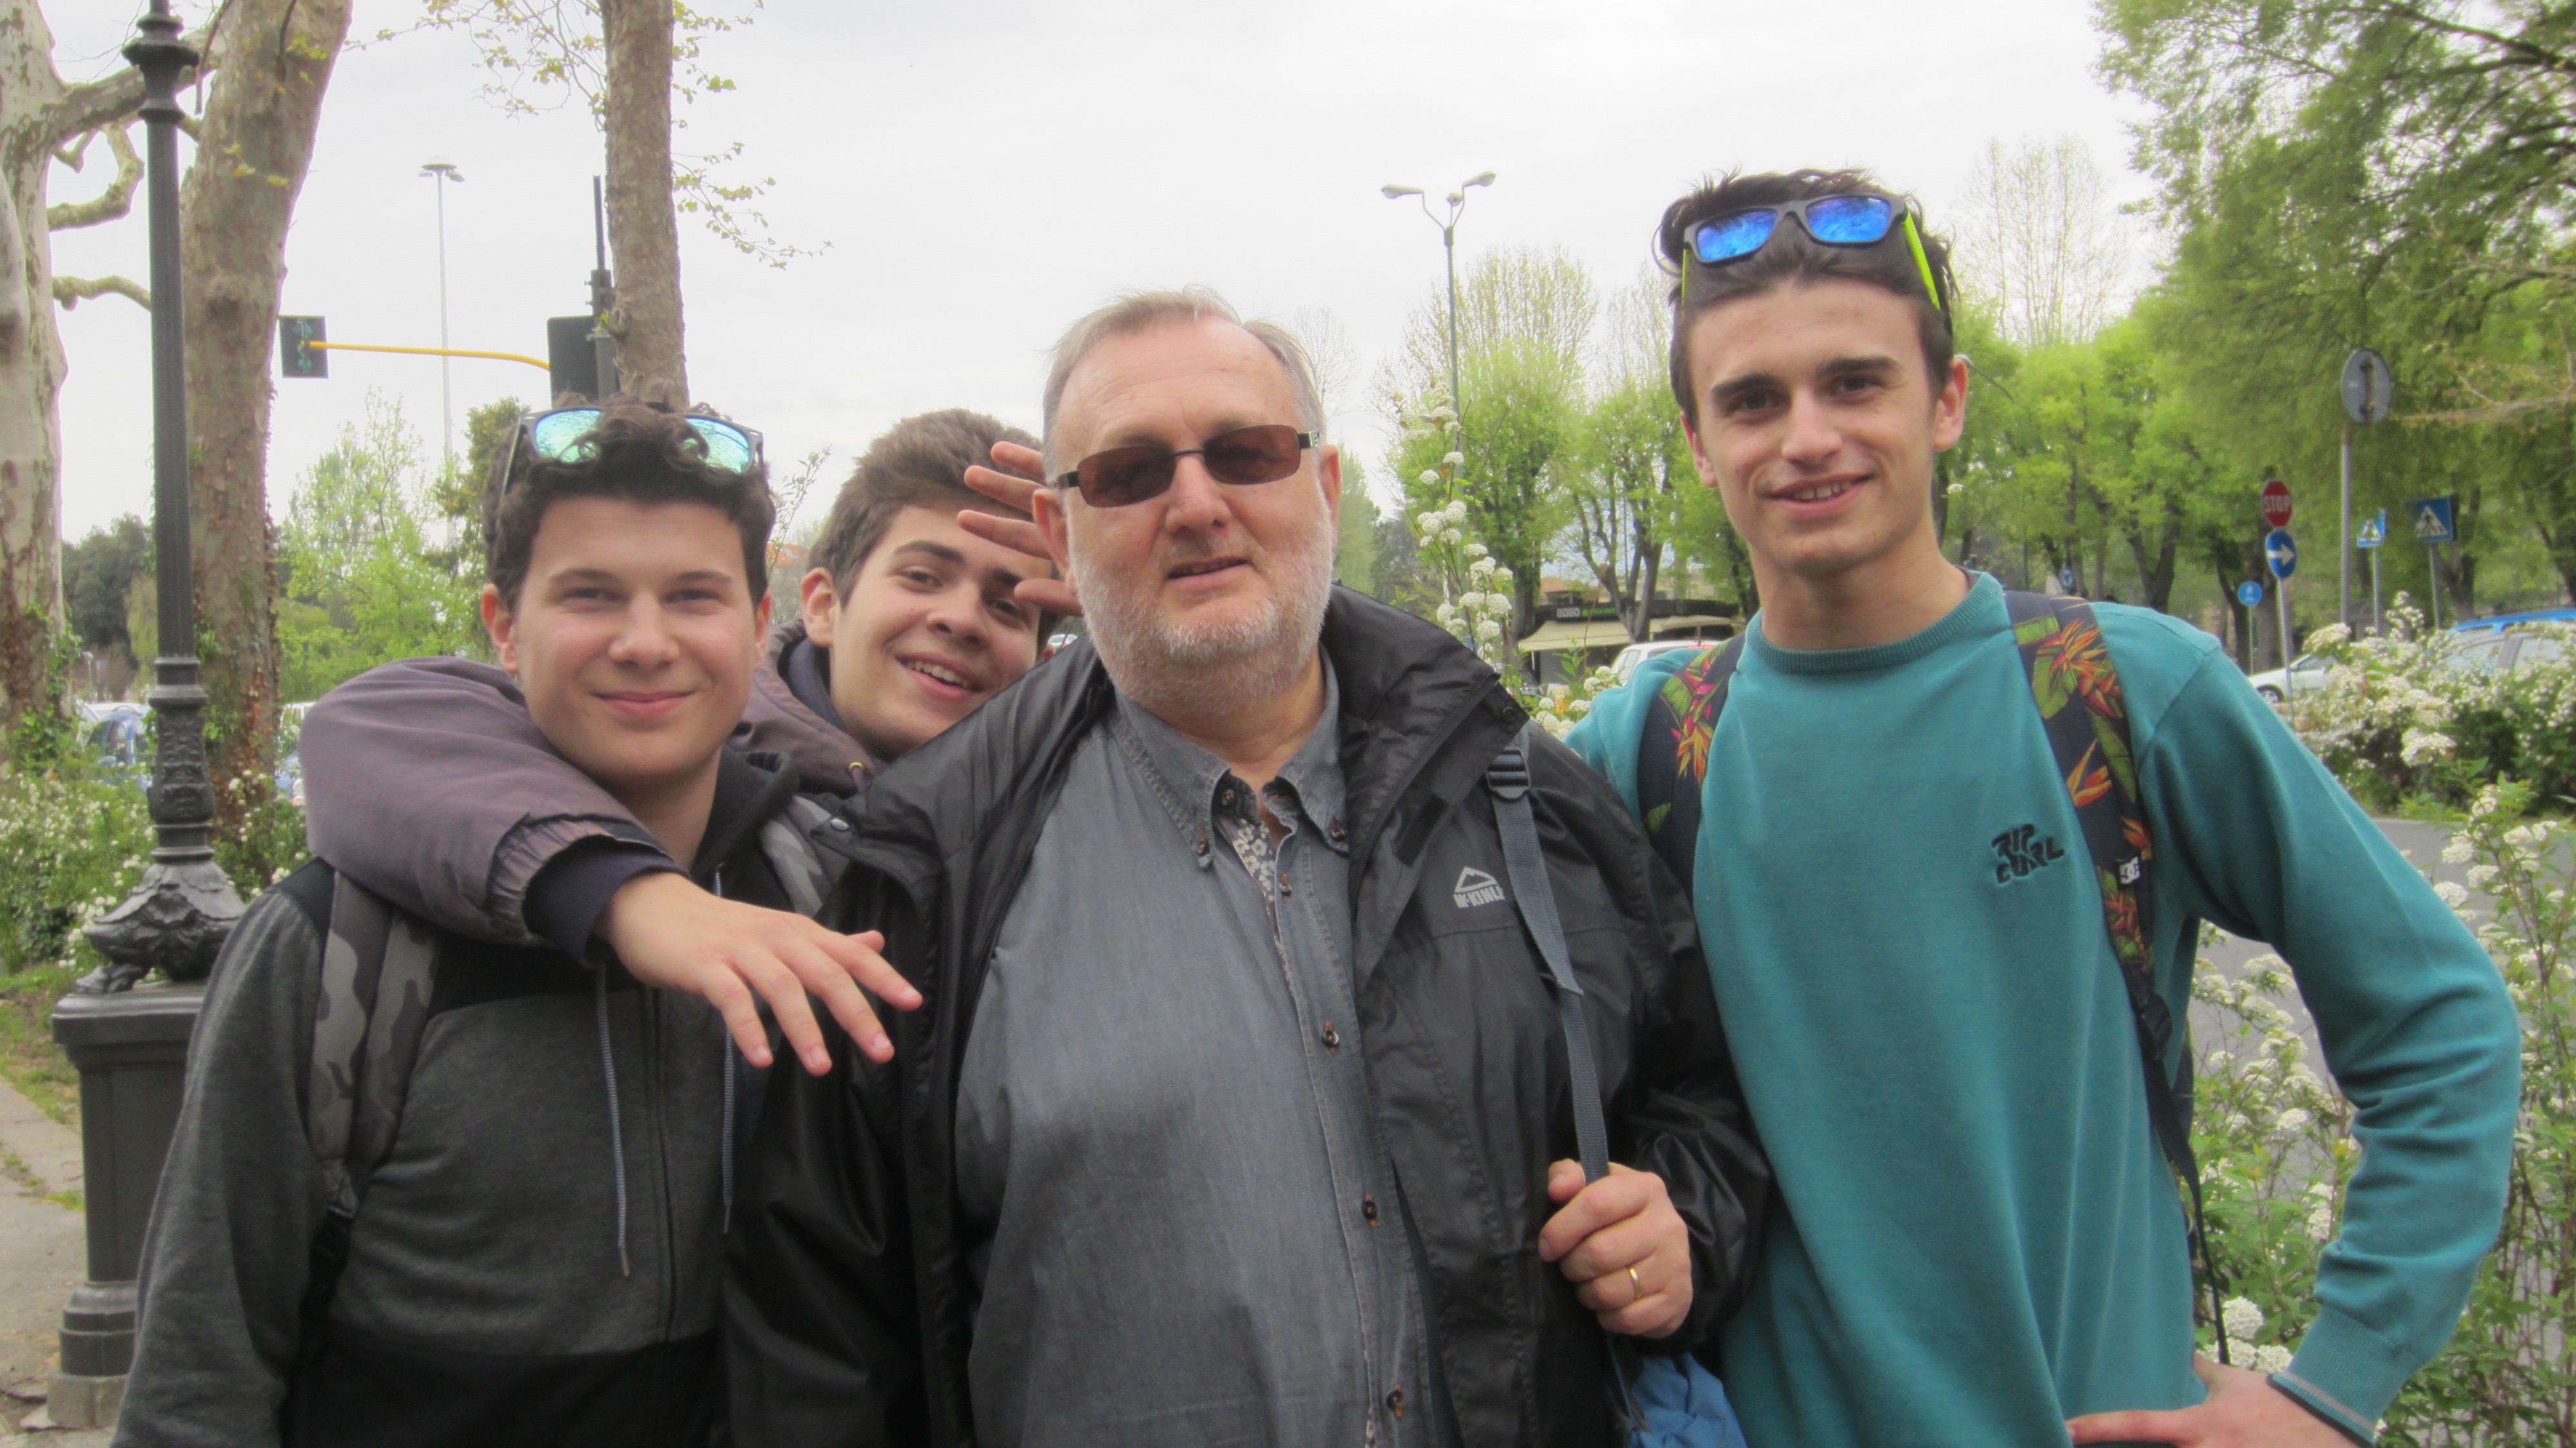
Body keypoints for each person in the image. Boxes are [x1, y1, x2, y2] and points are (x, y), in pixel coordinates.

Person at [1565, 169, 2521, 1446]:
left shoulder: (2117, 691)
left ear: (1946, 399)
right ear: (1695, 439)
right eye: (1751, 400)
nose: (1806, 436)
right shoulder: (1644, 749)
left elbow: (2440, 1020)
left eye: (1855, 382)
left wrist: (2333, 1387)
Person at [722, 287, 1768, 1447]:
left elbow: (1697, 1093)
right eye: (1127, 473)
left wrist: (1683, 1226)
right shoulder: (932, 870)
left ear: (1323, 485)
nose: (1196, 504)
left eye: (1247, 452)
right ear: (1059, 530)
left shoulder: (1519, 791)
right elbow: (819, 1342)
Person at [118, 402, 809, 1447]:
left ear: (759, 625)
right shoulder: (338, 942)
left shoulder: (817, 890)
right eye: (589, 594)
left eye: (692, 596)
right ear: (503, 625)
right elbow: (196, 1373)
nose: (645, 641)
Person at [294, 408, 1055, 1074]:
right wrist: (622, 892)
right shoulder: (351, 943)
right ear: (819, 606)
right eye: (922, 576)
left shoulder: (1013, 838)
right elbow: (367, 725)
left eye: (1009, 605)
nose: (648, 643)